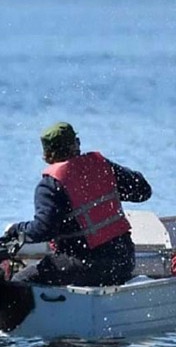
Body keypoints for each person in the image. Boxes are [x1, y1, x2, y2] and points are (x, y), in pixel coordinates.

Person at [2, 122, 152, 286]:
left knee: (19, 281)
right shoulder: (102, 166)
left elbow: (43, 230)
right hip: (123, 260)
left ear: (47, 155)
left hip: (86, 265)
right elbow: (142, 190)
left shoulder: (50, 185)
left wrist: (16, 229)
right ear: (77, 143)